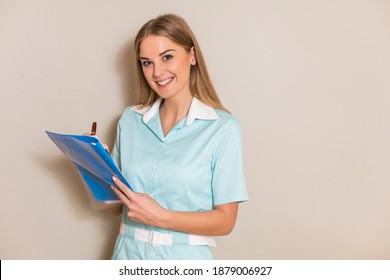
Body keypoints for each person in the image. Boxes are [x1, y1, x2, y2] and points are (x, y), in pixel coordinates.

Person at [108, 13, 248, 260]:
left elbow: (225, 222)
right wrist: (90, 164)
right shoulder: (130, 120)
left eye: (167, 57)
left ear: (192, 55)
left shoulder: (223, 128)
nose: (157, 72)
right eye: (147, 62)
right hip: (128, 256)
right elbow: (113, 207)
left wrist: (161, 217)